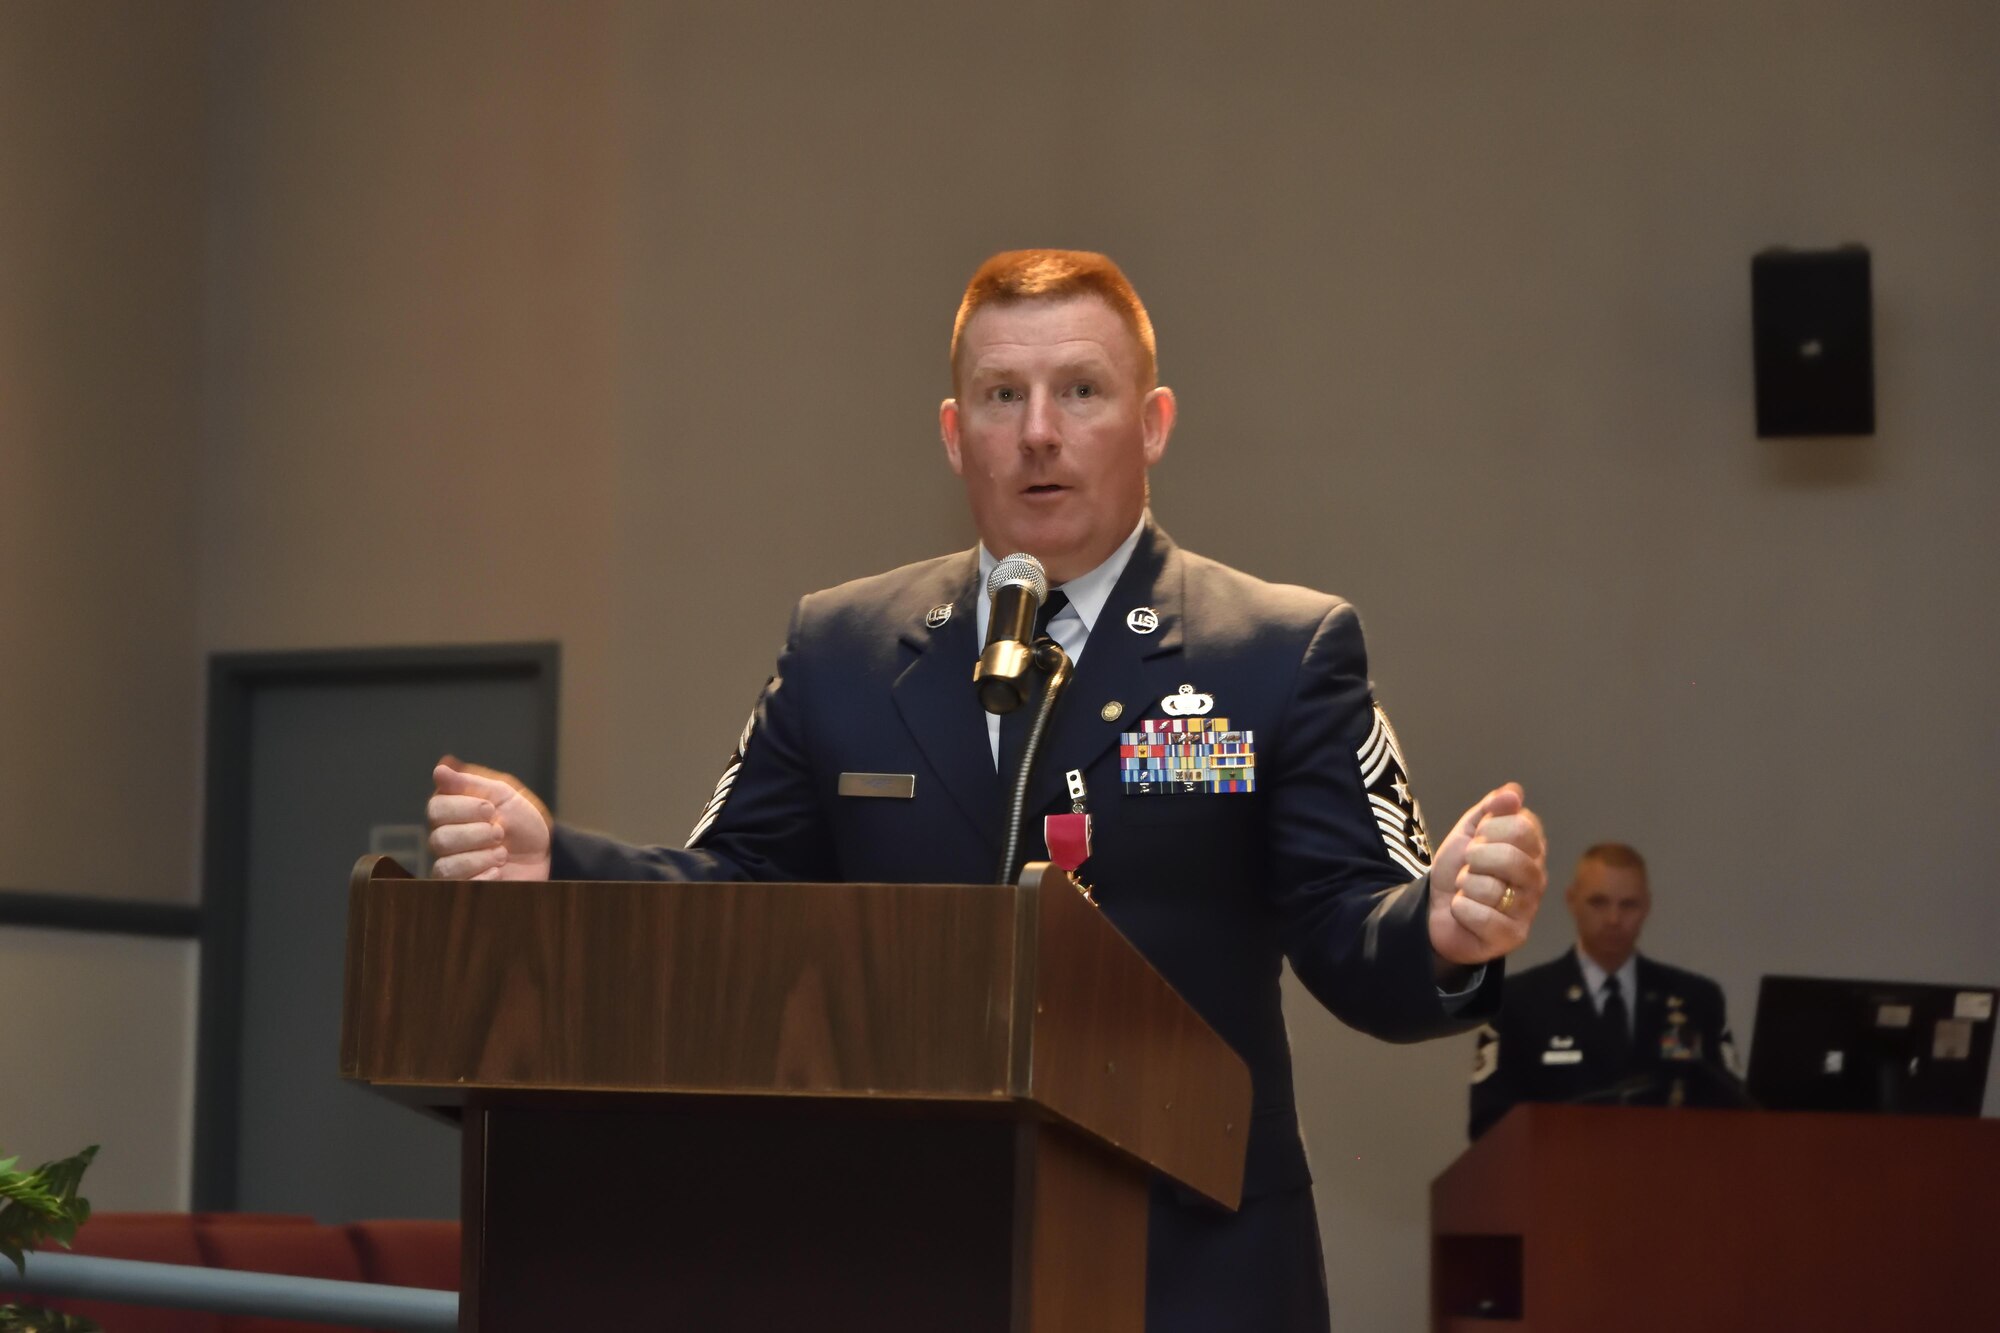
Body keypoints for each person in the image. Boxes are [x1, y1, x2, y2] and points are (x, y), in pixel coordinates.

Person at [428, 249, 1549, 1333]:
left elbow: (1353, 931)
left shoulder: (1275, 651)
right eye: (1001, 396)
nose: (1040, 432)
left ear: (1151, 422)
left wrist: (1445, 931)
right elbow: (737, 891)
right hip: (900, 1256)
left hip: (1190, 1263)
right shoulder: (844, 648)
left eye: (1080, 391)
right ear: (955, 437)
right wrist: (556, 865)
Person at [1468, 842, 1735, 1139]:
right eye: (1599, 902)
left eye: (1628, 905)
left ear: (1646, 906)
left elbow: (1735, 1114)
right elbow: (1489, 1123)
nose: (1613, 919)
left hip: (1668, 1176)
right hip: (1557, 1178)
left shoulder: (1695, 1001)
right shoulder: (1520, 1003)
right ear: (1572, 901)